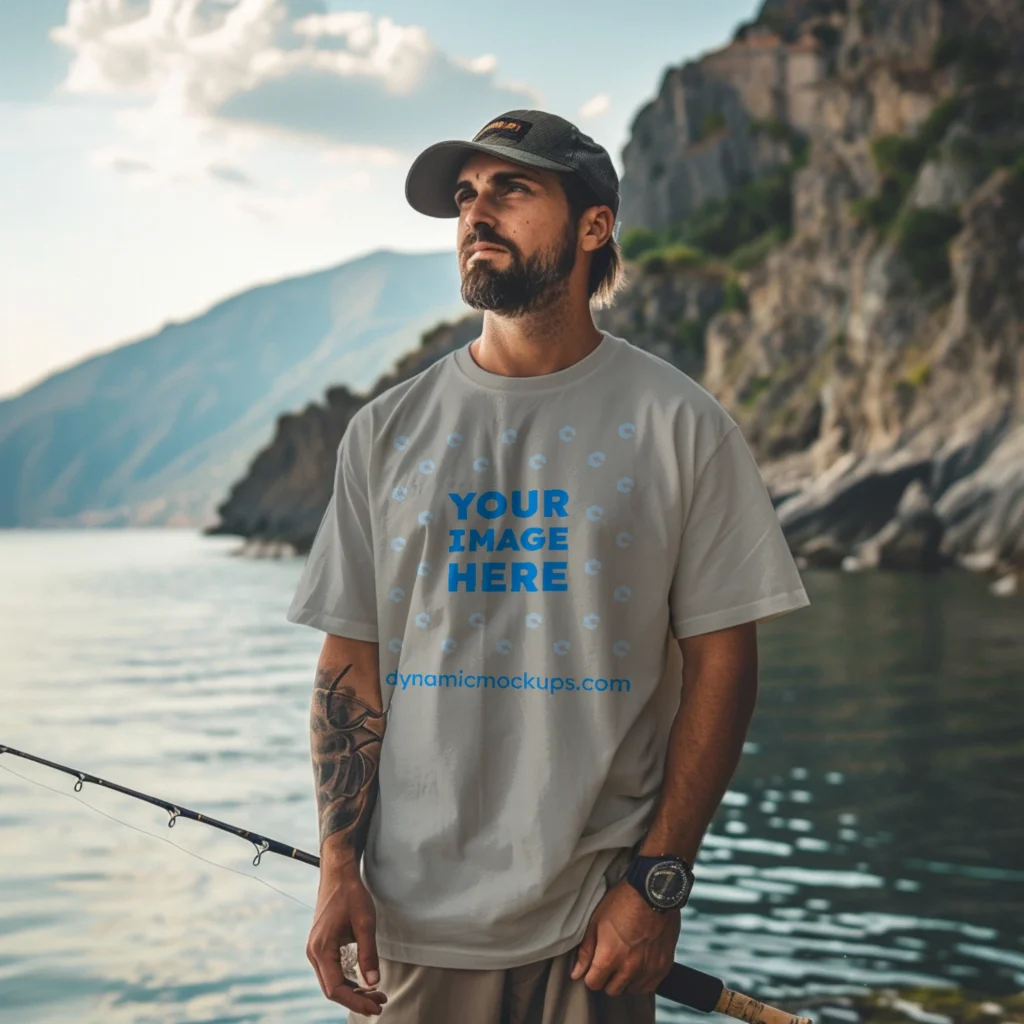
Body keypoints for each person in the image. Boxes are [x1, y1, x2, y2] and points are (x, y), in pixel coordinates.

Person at [286, 108, 811, 1023]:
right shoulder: (385, 433)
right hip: (417, 928)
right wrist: (338, 869)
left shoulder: (681, 425)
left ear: (593, 225)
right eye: (465, 196)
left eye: (512, 190)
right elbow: (351, 666)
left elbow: (724, 663)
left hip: (597, 929)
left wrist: (657, 886)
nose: (476, 214)